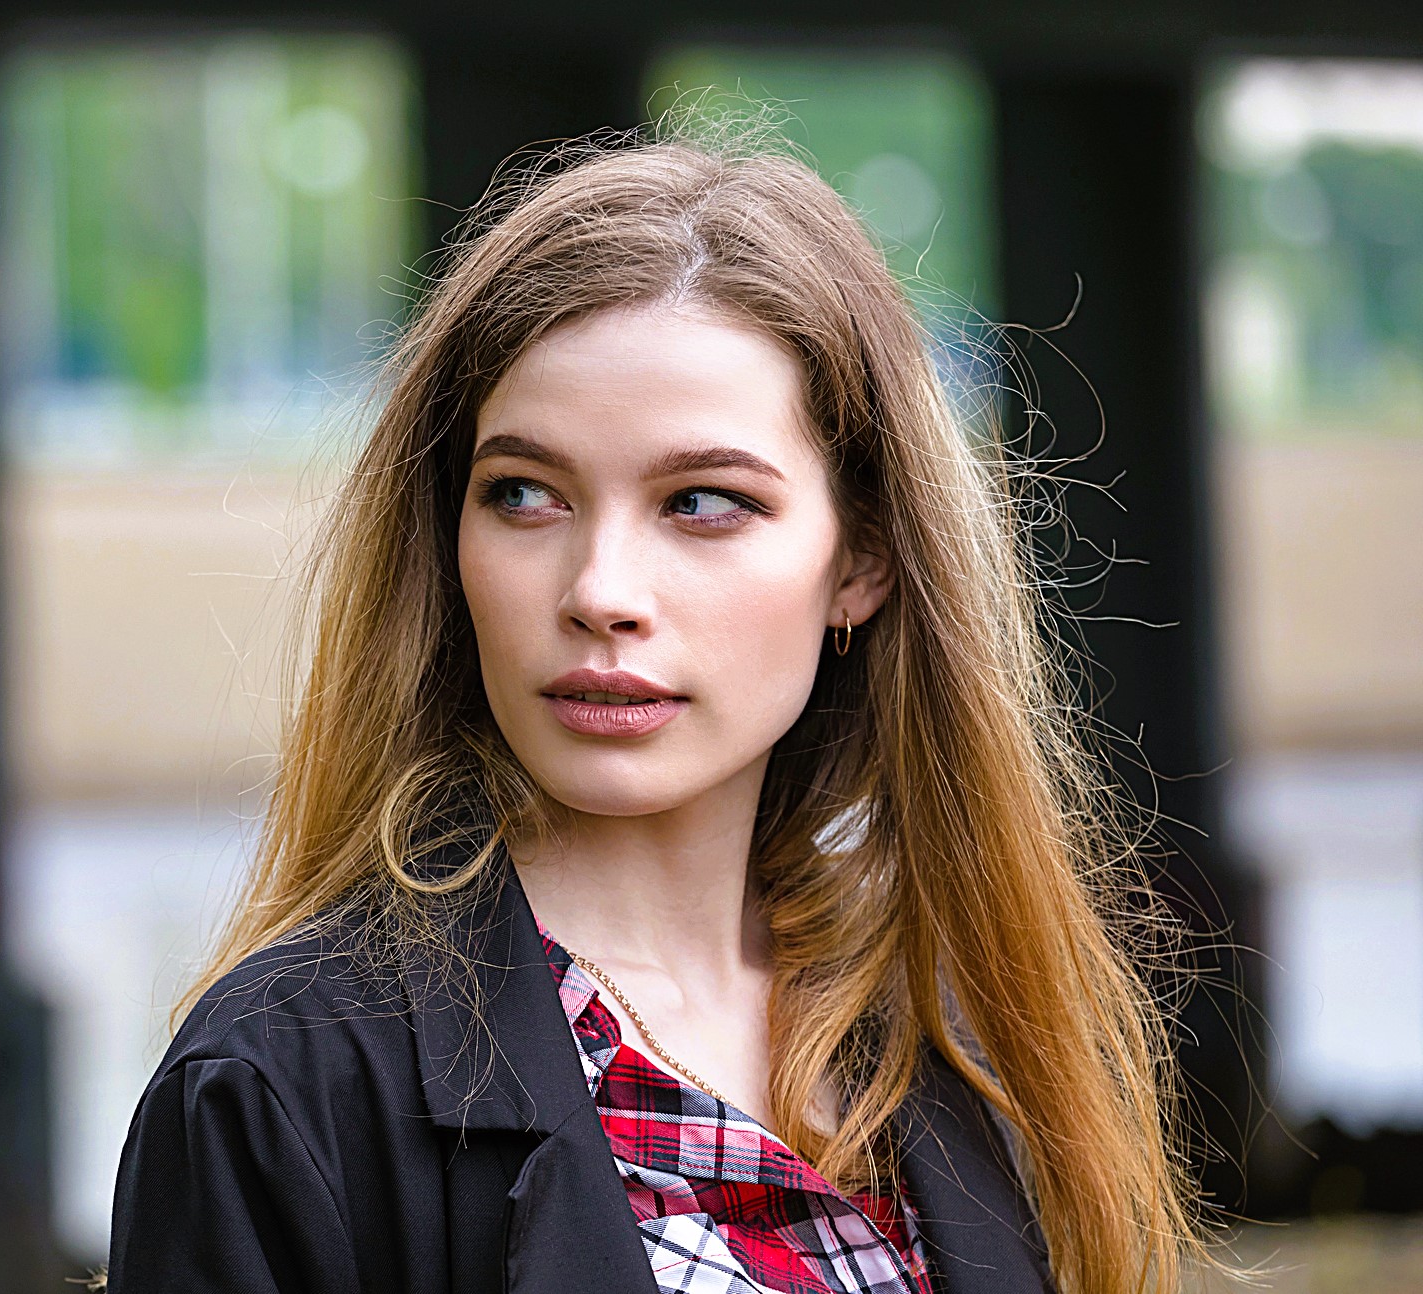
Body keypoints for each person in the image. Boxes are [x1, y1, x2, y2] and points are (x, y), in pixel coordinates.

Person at [103, 126, 1216, 1294]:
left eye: (701, 502)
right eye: (523, 494)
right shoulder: (277, 1083)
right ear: (449, 538)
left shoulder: (962, 1038)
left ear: (861, 559)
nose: (599, 593)